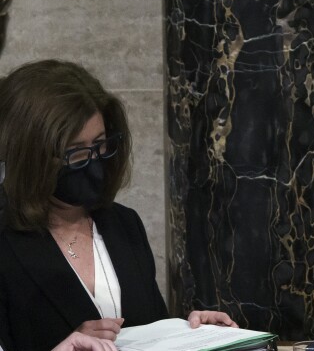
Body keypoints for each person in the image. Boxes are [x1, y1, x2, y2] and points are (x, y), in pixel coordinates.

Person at [0, 59, 238, 351]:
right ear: (30, 155)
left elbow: (150, 331)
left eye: (100, 145)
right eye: (75, 153)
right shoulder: (6, 239)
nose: (94, 162)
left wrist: (192, 334)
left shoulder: (124, 225)